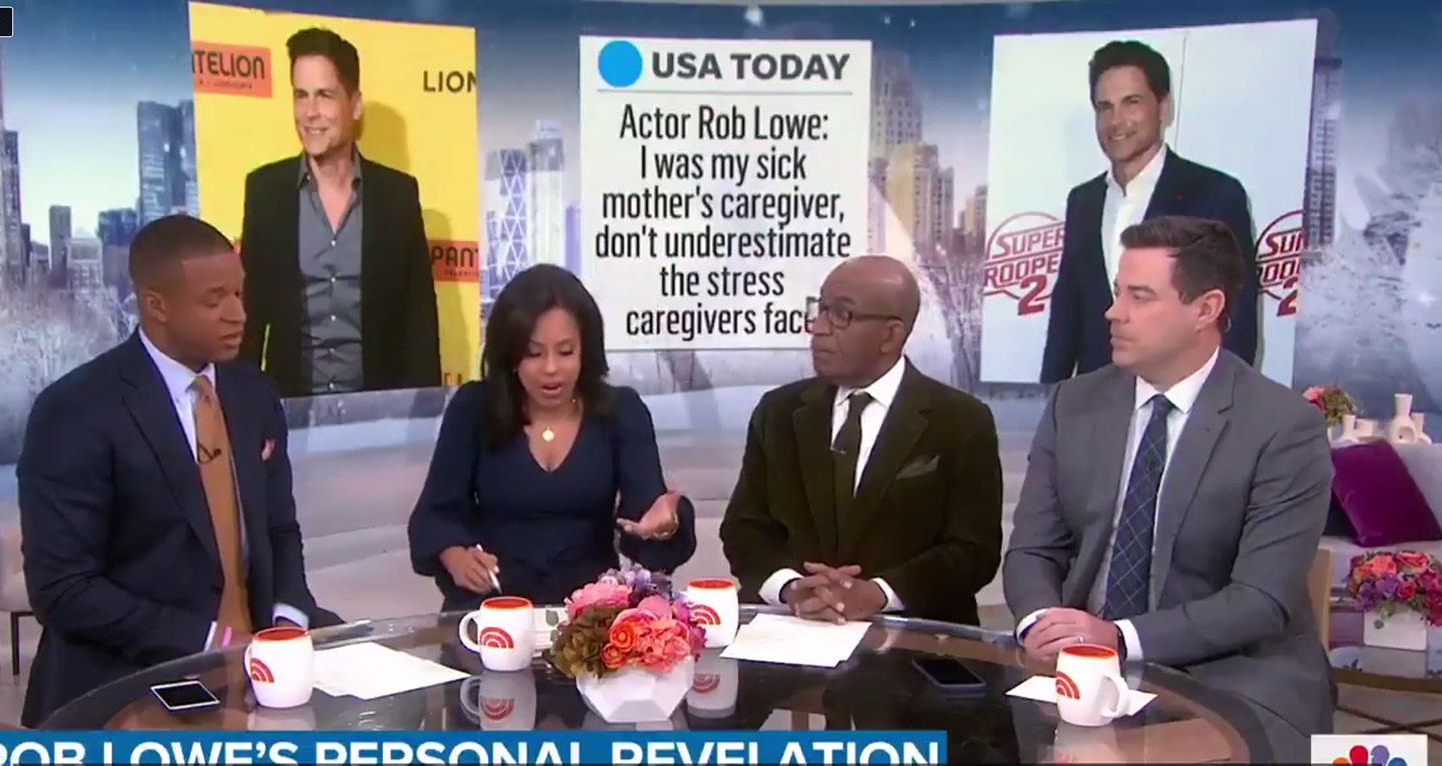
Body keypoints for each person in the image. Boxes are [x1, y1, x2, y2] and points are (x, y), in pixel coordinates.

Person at [1004, 216, 1333, 760]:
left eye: (1140, 297)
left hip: (1232, 672)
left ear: (1205, 309)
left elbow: (1260, 601)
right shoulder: (1074, 403)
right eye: (1117, 293)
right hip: (1081, 669)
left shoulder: (1282, 426)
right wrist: (1043, 622)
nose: (1114, 313)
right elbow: (1034, 549)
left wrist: (1118, 637)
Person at [17, 215, 340, 728]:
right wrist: (211, 641)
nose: (238, 314)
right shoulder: (76, 410)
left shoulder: (253, 392)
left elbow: (279, 528)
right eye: (214, 301)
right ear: (157, 306)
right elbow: (64, 588)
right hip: (126, 681)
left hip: (259, 671)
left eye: (239, 294)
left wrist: (288, 619)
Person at [718, 255, 1003, 626]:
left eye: (841, 314)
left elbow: (974, 550)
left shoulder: (962, 420)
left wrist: (879, 593)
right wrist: (791, 587)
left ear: (891, 335)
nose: (818, 328)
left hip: (912, 637)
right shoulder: (779, 411)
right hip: (790, 630)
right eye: (820, 310)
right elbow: (744, 528)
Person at [407, 264, 695, 609]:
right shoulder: (474, 408)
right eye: (533, 353)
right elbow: (435, 515)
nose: (551, 369)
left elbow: (645, 524)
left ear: (585, 350)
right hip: (492, 610)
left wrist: (664, 526)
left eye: (565, 351)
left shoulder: (621, 412)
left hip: (588, 616)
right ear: (511, 355)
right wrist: (455, 555)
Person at [238, 27, 441, 397]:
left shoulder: (397, 196)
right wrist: (242, 411)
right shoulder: (265, 192)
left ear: (355, 105)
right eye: (301, 96)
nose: (310, 113)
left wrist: (422, 414)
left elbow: (419, 325)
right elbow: (248, 321)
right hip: (289, 410)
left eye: (325, 95)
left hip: (377, 412)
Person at [1040, 40, 1258, 384]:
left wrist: (1220, 406)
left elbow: (1237, 319)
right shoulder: (1083, 201)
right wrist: (1053, 397)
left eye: (1132, 102)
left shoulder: (1215, 194)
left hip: (1180, 401)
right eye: (1104, 107)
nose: (1116, 121)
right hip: (1096, 401)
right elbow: (1068, 313)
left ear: (1164, 107)